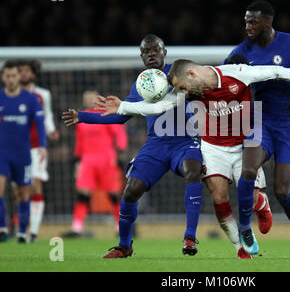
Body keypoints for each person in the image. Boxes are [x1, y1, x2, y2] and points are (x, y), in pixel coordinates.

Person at [99, 58, 290, 256]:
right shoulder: (188, 90)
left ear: (192, 74)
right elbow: (159, 106)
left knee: (251, 194)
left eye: (184, 87)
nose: (184, 93)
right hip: (212, 147)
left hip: (242, 144)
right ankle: (241, 244)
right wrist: (123, 107)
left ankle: (260, 202)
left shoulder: (237, 74)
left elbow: (275, 72)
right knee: (218, 197)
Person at [62, 34, 204, 258]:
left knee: (192, 169)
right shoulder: (140, 84)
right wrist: (84, 116)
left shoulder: (179, 73)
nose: (151, 54)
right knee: (131, 189)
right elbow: (120, 117)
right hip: (156, 144)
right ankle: (124, 245)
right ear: (141, 56)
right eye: (146, 52)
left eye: (155, 50)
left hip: (185, 141)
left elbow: (201, 95)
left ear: (164, 52)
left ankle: (189, 236)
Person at [225, 0, 290, 259]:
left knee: (281, 189)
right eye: (245, 21)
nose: (248, 26)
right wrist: (232, 71)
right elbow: (220, 79)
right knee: (248, 169)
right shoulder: (241, 50)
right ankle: (245, 228)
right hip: (260, 119)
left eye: (253, 21)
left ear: (268, 21)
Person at [61, 90, 128, 238]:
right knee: (83, 194)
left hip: (107, 159)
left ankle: (120, 226)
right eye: (86, 98)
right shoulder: (81, 117)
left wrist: (120, 153)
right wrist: (77, 160)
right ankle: (76, 228)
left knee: (113, 195)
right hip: (87, 161)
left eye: (92, 98)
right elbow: (80, 141)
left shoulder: (105, 114)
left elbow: (120, 133)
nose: (89, 100)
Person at [0, 60, 47, 243]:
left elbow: (40, 124)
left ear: (19, 77)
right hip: (2, 153)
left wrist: (42, 145)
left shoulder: (30, 99)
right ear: (3, 77)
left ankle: (21, 233)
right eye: (8, 76)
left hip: (23, 154)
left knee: (23, 193)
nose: (11, 79)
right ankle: (2, 229)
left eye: (14, 75)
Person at [17, 59, 59, 242]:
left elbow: (47, 115)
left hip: (36, 147)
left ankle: (33, 232)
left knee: (35, 184)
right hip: (16, 147)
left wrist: (50, 130)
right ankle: (19, 228)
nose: (24, 74)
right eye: (21, 71)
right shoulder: (10, 96)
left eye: (27, 71)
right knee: (19, 190)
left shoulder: (42, 95)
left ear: (33, 74)